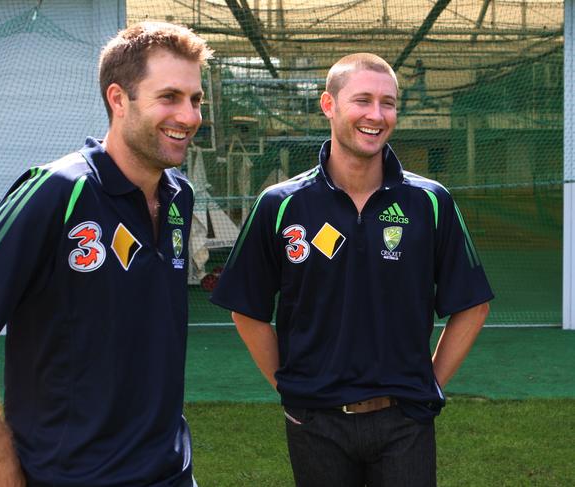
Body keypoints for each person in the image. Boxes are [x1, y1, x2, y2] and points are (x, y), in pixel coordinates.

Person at [0, 21, 212, 486]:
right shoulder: (58, 191)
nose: (190, 115)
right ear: (118, 99)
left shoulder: (179, 195)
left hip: (171, 473)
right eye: (170, 97)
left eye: (195, 99)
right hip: (71, 477)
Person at [210, 53, 493, 486]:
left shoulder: (430, 202)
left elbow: (472, 305)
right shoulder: (280, 204)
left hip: (405, 421)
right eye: (362, 100)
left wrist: (428, 382)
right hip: (316, 423)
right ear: (329, 105)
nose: (376, 115)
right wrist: (292, 388)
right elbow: (246, 309)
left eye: (388, 103)